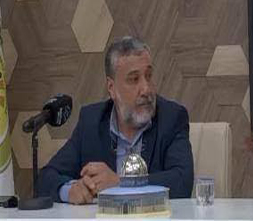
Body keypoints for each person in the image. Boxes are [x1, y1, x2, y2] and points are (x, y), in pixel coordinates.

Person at [38, 37, 194, 204]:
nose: (146, 89)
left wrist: (121, 183)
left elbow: (182, 181)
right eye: (134, 79)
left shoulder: (171, 117)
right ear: (111, 88)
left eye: (148, 76)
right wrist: (70, 191)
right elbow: (45, 179)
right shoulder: (91, 122)